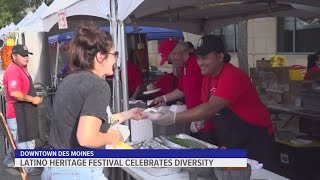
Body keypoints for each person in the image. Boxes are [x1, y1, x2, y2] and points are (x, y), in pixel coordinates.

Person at [145, 35, 279, 172]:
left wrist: (172, 117)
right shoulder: (207, 78)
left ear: (220, 57)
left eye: (205, 58)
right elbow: (208, 105)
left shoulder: (232, 75)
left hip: (256, 141)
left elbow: (210, 107)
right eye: (198, 58)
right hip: (233, 141)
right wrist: (202, 120)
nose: (200, 62)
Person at [42, 25, 145, 179]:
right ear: (100, 56)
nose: (116, 59)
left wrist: (128, 114)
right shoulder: (98, 85)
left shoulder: (69, 80)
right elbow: (87, 138)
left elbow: (91, 120)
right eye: (114, 54)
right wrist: (114, 136)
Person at [3, 44, 43, 175]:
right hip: (17, 113)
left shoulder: (22, 68)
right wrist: (33, 99)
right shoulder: (13, 70)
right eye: (23, 55)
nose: (26, 58)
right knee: (23, 142)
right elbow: (14, 93)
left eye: (27, 55)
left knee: (26, 140)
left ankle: (11, 159)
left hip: (25, 111)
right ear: (14, 56)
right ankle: (27, 170)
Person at [152, 39, 203, 134]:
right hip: (193, 117)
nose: (172, 64)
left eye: (170, 61)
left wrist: (202, 117)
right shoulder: (185, 67)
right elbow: (181, 90)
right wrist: (163, 98)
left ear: (176, 54)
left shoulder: (198, 63)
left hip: (203, 118)